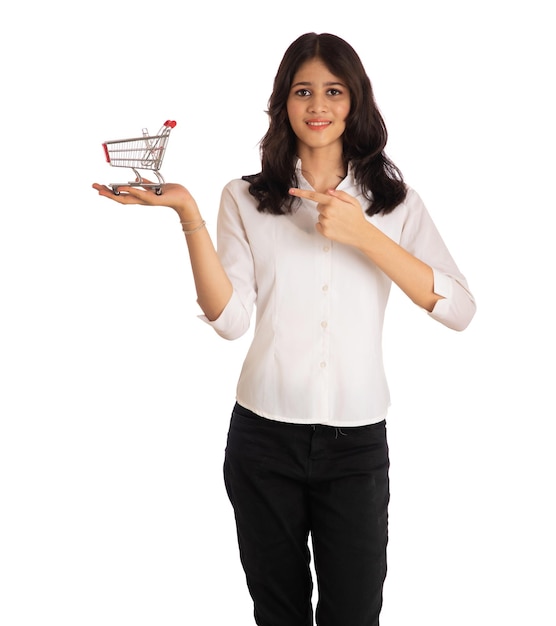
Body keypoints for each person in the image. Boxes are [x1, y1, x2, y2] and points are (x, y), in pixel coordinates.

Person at [93, 32, 476, 626]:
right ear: (283, 103)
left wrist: (364, 235)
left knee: (354, 615)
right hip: (263, 440)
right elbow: (230, 322)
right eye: (303, 91)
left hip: (357, 447)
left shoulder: (395, 204)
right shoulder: (245, 198)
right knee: (278, 616)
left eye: (333, 91)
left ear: (356, 103)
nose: (318, 105)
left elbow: (459, 311)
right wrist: (187, 211)